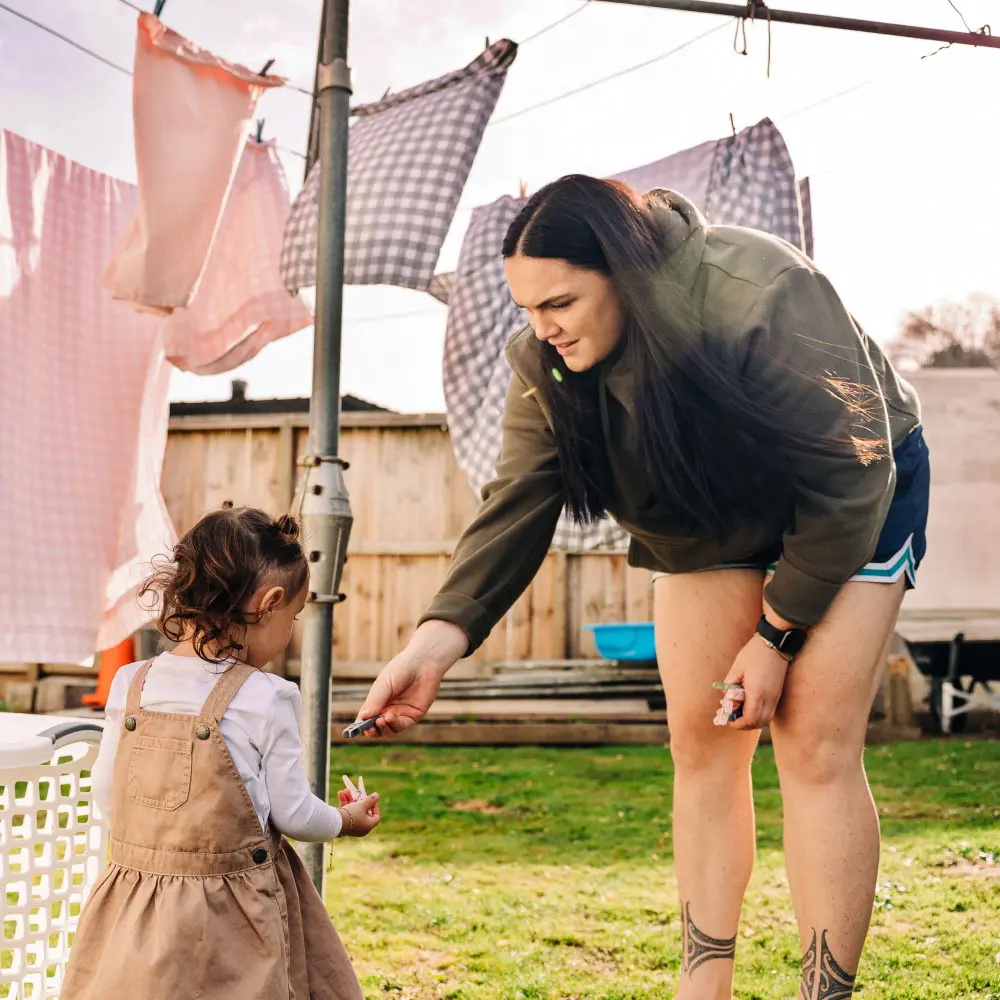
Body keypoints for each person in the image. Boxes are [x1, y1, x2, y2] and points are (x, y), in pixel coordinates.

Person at [357, 176, 929, 999]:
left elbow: (850, 474)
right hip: (706, 510)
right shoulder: (546, 365)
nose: (541, 327)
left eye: (559, 302)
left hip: (857, 487)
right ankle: (703, 990)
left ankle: (824, 994)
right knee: (703, 743)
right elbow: (519, 500)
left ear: (623, 272)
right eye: (525, 307)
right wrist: (436, 641)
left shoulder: (760, 292)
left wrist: (775, 637)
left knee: (811, 741)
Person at [63, 504, 379, 1000]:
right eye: (293, 617)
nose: (289, 631)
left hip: (135, 904)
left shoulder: (130, 683)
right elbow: (294, 813)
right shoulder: (268, 696)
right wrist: (345, 821)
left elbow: (107, 791)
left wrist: (156, 850)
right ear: (270, 602)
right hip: (232, 913)